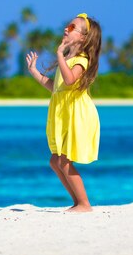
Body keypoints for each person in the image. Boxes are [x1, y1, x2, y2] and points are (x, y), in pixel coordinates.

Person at [25, 13, 101, 212]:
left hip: (78, 113)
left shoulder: (81, 60)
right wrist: (34, 71)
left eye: (72, 27)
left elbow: (69, 81)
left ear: (83, 38)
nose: (66, 29)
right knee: (55, 161)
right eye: (67, 26)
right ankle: (77, 202)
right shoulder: (69, 58)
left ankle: (84, 204)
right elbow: (56, 87)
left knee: (65, 160)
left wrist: (60, 55)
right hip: (63, 112)